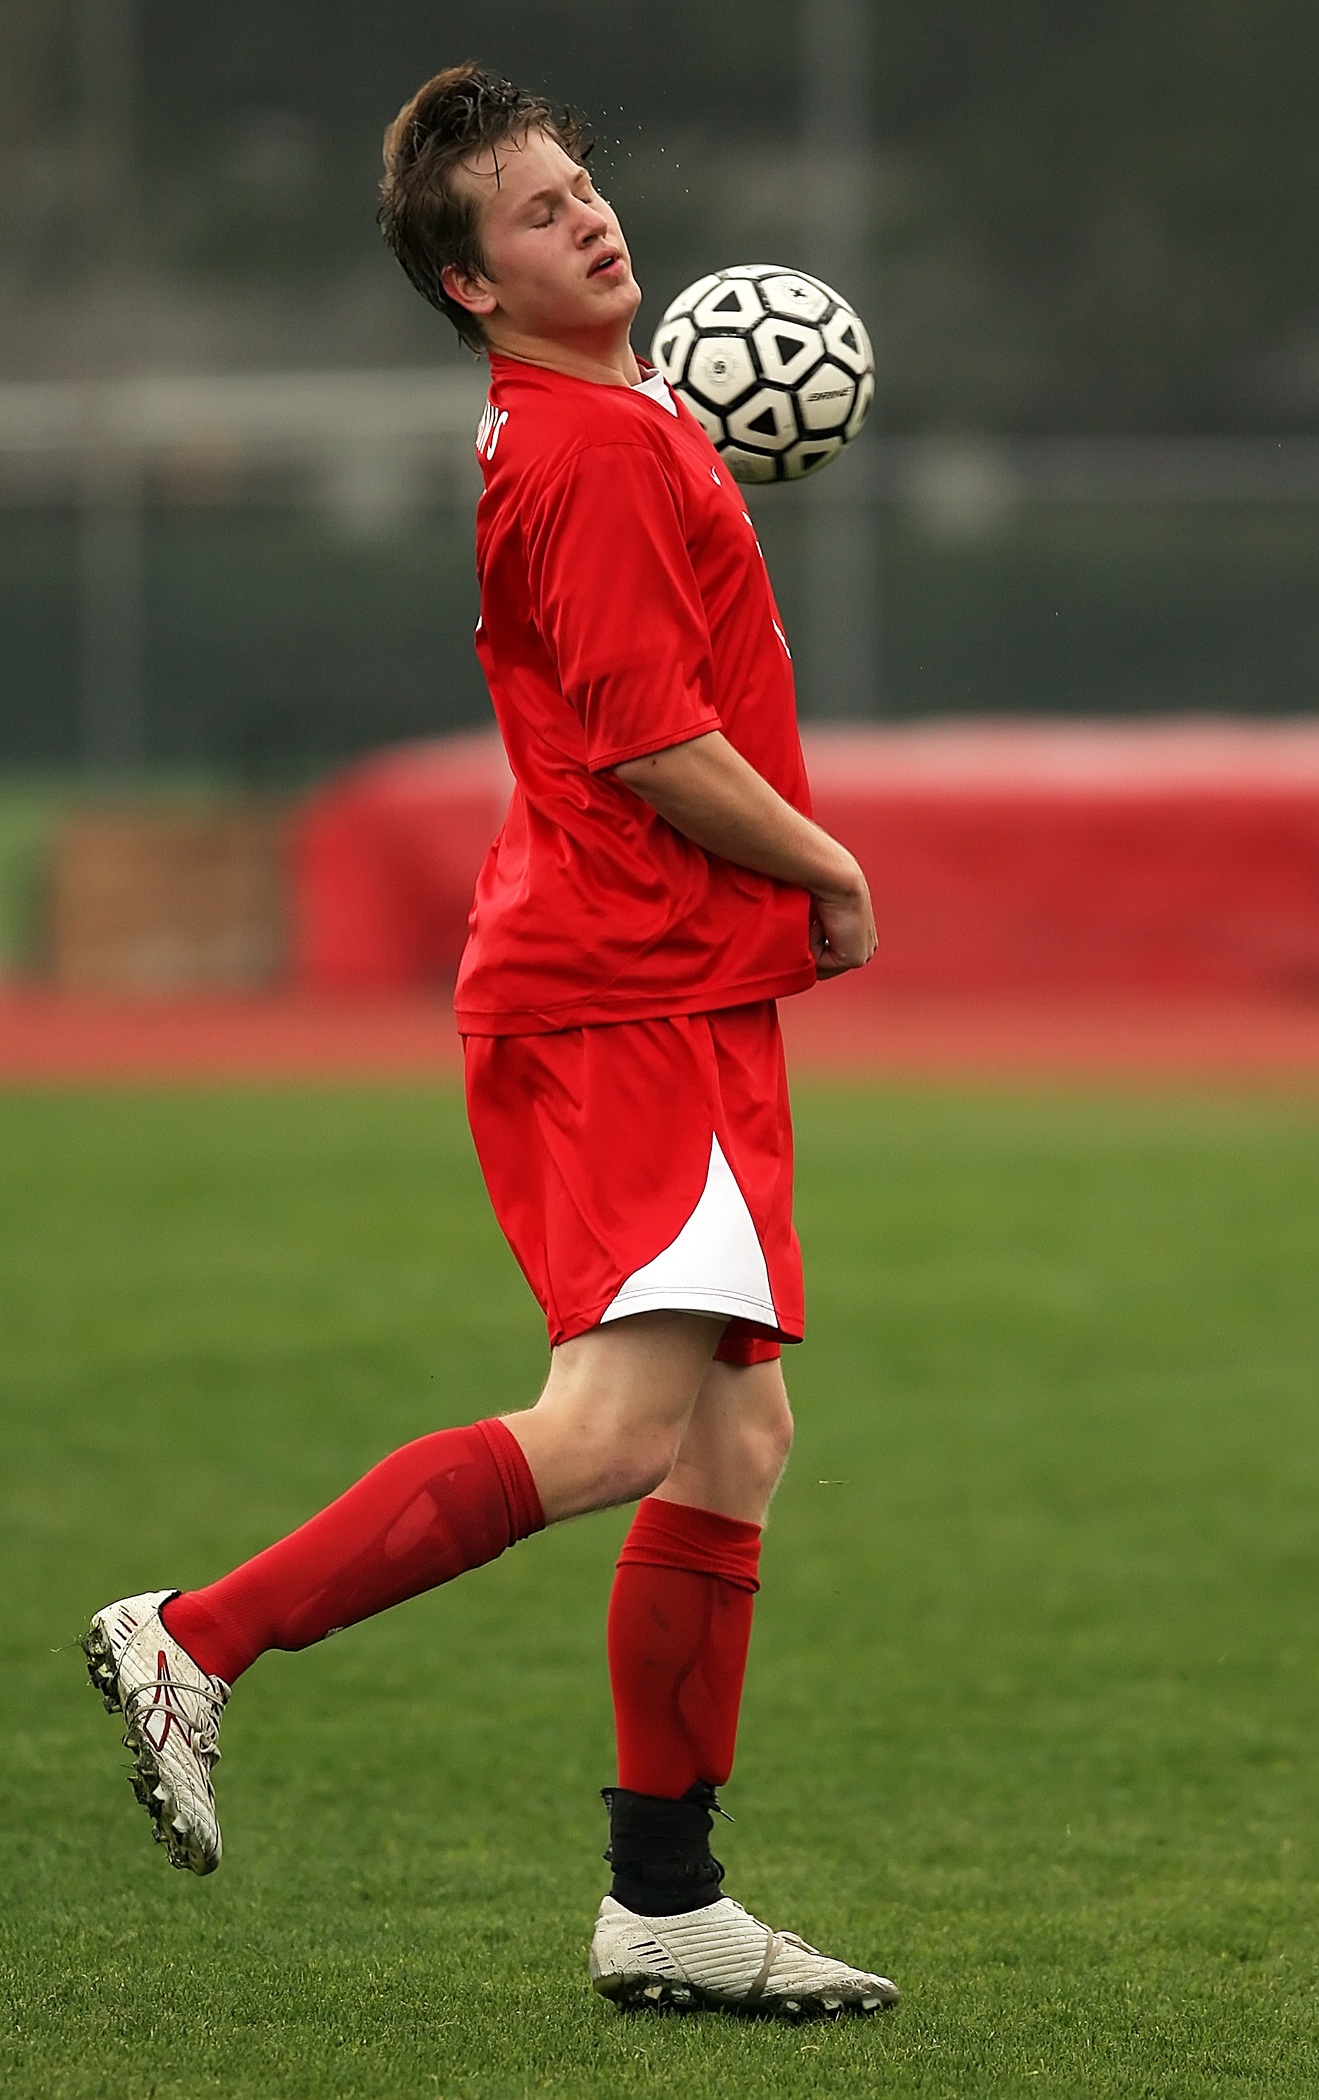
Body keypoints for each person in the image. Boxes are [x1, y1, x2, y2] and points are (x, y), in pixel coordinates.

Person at [82, 62, 896, 2022]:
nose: (586, 218)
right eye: (532, 214)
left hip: (670, 985)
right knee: (620, 1431)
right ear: (469, 286)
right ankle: (198, 1635)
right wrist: (835, 870)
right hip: (621, 989)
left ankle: (664, 1904)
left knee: (735, 1440)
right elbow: (644, 738)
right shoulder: (588, 451)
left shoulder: (611, 423)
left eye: (579, 187)